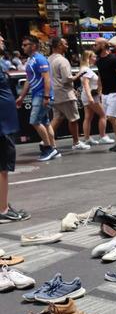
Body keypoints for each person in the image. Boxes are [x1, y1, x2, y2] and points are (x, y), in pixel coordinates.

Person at [0, 34, 29, 223]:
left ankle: (2, 204)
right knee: (2, 168)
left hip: (5, 123)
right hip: (2, 125)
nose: (3, 40)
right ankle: (2, 211)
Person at [16, 35, 56, 162]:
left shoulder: (40, 59)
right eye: (23, 45)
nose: (23, 47)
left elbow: (47, 78)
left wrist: (46, 96)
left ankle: (49, 148)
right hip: (38, 95)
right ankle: (53, 148)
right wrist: (22, 96)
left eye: (25, 45)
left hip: (41, 95)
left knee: (34, 121)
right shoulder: (31, 60)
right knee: (46, 123)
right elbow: (28, 79)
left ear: (33, 46)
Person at [48, 37, 89, 152]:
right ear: (59, 45)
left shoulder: (49, 59)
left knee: (57, 118)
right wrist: (78, 76)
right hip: (65, 94)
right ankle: (76, 142)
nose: (67, 46)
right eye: (65, 44)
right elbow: (67, 79)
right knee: (73, 119)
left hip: (54, 93)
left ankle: (46, 141)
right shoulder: (62, 60)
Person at [94, 37, 116, 152]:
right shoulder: (98, 61)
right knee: (109, 118)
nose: (94, 46)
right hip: (105, 94)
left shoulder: (114, 59)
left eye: (96, 44)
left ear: (103, 45)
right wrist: (99, 91)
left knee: (112, 118)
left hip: (115, 92)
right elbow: (100, 77)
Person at [75, 50, 111, 146]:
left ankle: (87, 138)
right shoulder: (86, 69)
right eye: (94, 57)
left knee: (88, 117)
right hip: (91, 96)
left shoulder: (84, 68)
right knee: (103, 115)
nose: (95, 58)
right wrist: (90, 97)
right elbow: (86, 85)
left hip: (88, 96)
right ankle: (103, 136)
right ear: (88, 58)